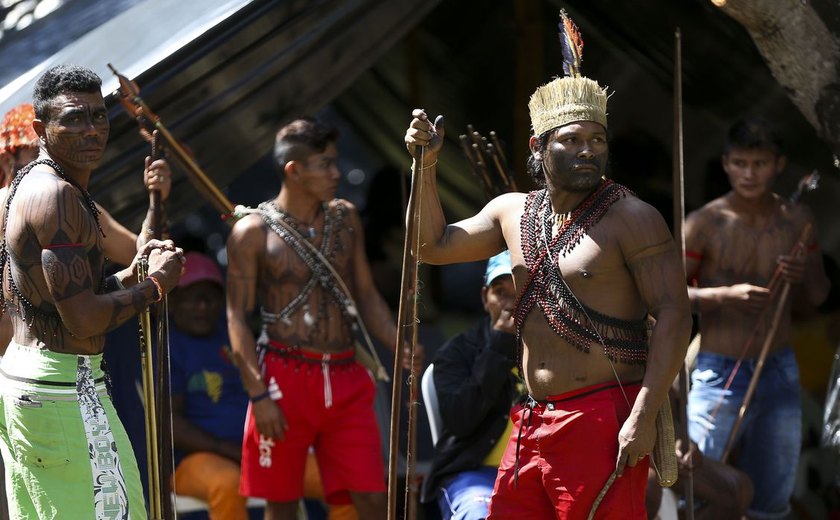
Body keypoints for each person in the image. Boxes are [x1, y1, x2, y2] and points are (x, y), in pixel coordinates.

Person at [404, 46, 691, 520]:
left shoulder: (634, 218)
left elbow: (674, 314)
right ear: (538, 146)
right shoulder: (511, 211)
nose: (588, 150)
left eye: (598, 140)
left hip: (603, 419)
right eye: (572, 139)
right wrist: (427, 165)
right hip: (534, 417)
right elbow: (430, 246)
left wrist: (643, 414)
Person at [0, 64, 184, 519]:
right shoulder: (56, 197)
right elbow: (81, 317)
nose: (91, 130)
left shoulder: (38, 187)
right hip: (62, 388)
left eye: (98, 117)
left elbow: (79, 288)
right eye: (74, 119)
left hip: (32, 381)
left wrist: (145, 259)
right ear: (42, 129)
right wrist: (157, 285)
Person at [227, 117, 414, 520]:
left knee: (371, 498)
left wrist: (398, 343)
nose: (336, 173)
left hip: (346, 376)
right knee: (281, 506)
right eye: (325, 164)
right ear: (294, 170)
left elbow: (365, 293)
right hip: (282, 379)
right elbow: (236, 318)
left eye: (335, 162)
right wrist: (258, 395)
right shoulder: (252, 232)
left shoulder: (346, 218)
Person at [684, 117, 830, 519]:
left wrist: (803, 276)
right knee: (692, 480)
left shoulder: (797, 221)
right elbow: (666, 296)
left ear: (779, 165)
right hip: (717, 369)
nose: (749, 173)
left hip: (778, 367)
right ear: (727, 163)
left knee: (772, 492)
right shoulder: (704, 224)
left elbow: (818, 297)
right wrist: (723, 296)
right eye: (740, 163)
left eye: (760, 164)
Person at [421, 250, 525, 520]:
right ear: (484, 298)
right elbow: (460, 421)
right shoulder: (457, 352)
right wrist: (500, 345)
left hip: (539, 473)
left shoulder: (557, 351)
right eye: (501, 292)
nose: (511, 303)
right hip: (475, 473)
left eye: (521, 292)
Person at [169, 251, 250, 519]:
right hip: (193, 461)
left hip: (258, 451)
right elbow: (170, 423)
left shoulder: (234, 335)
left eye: (210, 297)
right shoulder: (166, 346)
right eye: (193, 298)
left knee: (338, 475)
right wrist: (226, 449)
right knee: (227, 483)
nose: (203, 306)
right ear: (173, 302)